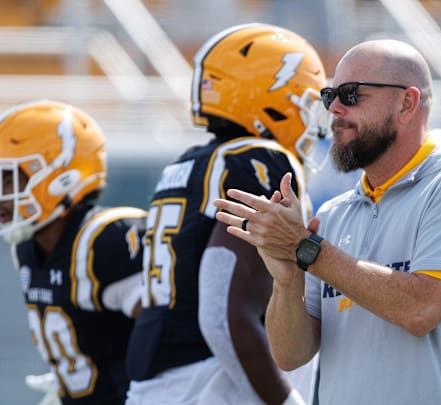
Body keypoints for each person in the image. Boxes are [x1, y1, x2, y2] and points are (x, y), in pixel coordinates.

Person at [213, 39, 441, 404]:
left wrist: (305, 249)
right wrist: (287, 276)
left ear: (407, 103)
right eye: (330, 96)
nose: (336, 109)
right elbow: (291, 354)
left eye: (351, 94)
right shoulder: (333, 214)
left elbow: (420, 310)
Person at [124, 23, 328, 405]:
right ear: (271, 97)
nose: (310, 123)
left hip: (154, 386)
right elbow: (221, 314)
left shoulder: (185, 166)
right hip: (210, 384)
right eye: (305, 103)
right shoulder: (258, 159)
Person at [0, 100, 147, 404]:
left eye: (11, 176)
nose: (2, 191)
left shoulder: (107, 240)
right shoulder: (26, 247)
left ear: (62, 175)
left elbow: (172, 342)